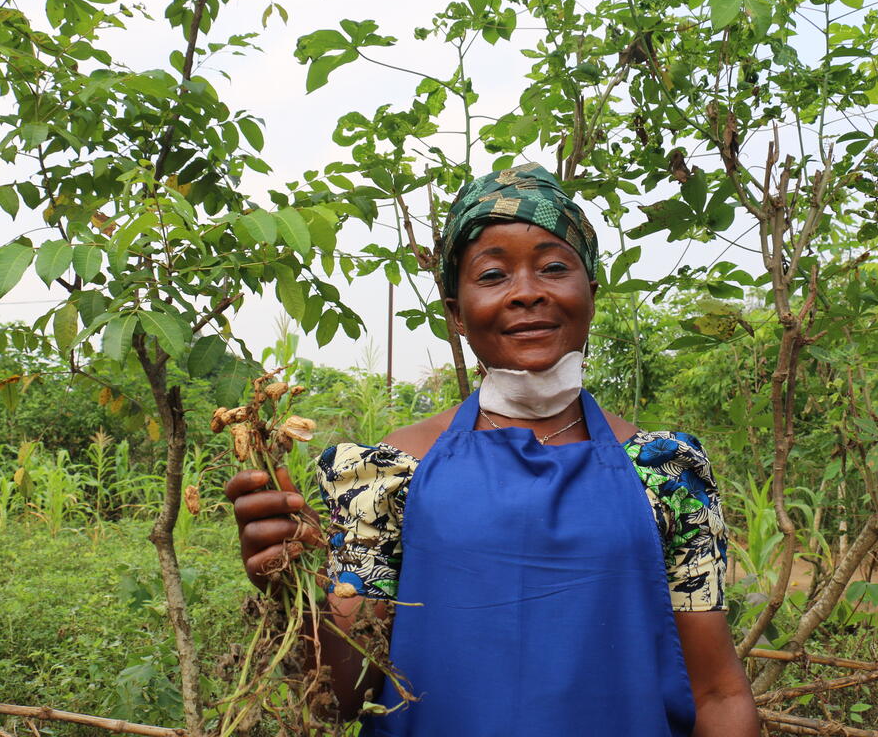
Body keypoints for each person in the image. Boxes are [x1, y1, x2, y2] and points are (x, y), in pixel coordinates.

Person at [224, 164, 760, 736]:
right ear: (456, 313)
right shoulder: (384, 477)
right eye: (493, 274)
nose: (528, 292)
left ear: (591, 295)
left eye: (555, 267)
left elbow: (718, 692)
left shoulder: (666, 472)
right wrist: (291, 587)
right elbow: (343, 697)